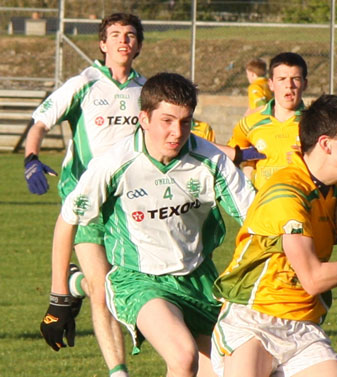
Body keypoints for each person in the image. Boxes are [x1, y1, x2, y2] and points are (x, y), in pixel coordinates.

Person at [41, 72, 256, 377]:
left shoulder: (211, 161)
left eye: (185, 122)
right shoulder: (114, 163)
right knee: (183, 357)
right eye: (167, 121)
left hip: (200, 279)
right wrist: (58, 298)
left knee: (231, 371)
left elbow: (259, 219)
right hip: (139, 280)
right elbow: (67, 221)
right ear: (144, 118)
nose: (177, 132)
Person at [211, 94, 337, 377]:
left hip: (303, 324)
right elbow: (313, 278)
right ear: (326, 145)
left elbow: (324, 232)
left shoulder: (334, 188)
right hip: (253, 317)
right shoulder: (286, 195)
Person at [26, 13, 146, 377]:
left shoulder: (149, 90)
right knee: (103, 290)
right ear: (102, 44)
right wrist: (31, 157)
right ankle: (119, 371)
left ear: (138, 44)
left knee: (115, 286)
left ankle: (75, 283)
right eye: (115, 35)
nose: (123, 41)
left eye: (130, 35)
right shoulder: (84, 84)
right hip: (86, 200)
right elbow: (41, 122)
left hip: (132, 202)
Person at [227, 52, 308, 190]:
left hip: (302, 204)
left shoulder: (315, 123)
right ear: (271, 84)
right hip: (261, 206)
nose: (289, 85)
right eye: (282, 79)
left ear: (305, 84)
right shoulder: (249, 123)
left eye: (295, 78)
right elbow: (231, 155)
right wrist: (248, 170)